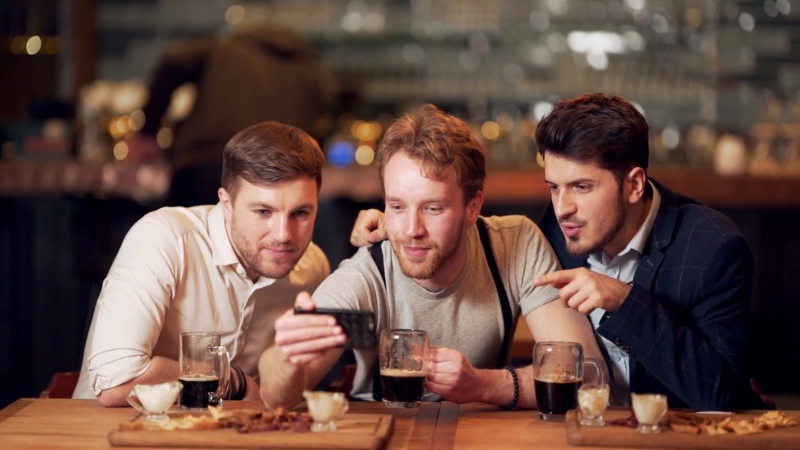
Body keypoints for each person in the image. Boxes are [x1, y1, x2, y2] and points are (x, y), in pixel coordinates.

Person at [352, 94, 767, 411]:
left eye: (582, 187)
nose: (562, 207)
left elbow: (722, 395)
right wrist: (397, 221)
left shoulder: (713, 248)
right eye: (554, 186)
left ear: (634, 184)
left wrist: (623, 302)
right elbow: (460, 222)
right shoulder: (556, 229)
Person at [258, 104, 604, 409]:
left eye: (433, 208)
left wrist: (484, 386)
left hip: (482, 436)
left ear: (473, 208)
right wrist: (288, 355)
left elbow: (586, 374)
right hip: (385, 434)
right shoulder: (364, 276)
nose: (411, 229)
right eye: (396, 206)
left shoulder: (514, 244)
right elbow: (276, 397)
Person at [73, 121, 330, 405]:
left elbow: (282, 396)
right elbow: (116, 382)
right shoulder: (165, 239)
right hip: (103, 435)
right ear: (226, 204)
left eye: (301, 213)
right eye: (262, 211)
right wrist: (233, 381)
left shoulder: (313, 267)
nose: (283, 235)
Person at [126, 24, 328, 207]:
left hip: (207, 161)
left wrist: (148, 131)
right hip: (278, 176)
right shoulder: (309, 69)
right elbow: (320, 124)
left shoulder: (224, 49)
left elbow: (172, 61)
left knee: (189, 241)